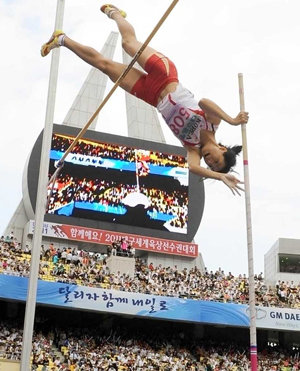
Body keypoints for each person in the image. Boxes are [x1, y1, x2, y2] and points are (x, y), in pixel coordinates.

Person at [41, 4, 249, 195]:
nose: (209, 161)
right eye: (215, 160)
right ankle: (115, 13)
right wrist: (232, 119)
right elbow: (203, 102)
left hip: (151, 96)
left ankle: (61, 39)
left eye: (211, 165)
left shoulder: (192, 148)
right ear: (222, 148)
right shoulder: (212, 123)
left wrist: (220, 176)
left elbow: (193, 168)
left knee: (104, 66)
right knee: (128, 44)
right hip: (166, 75)